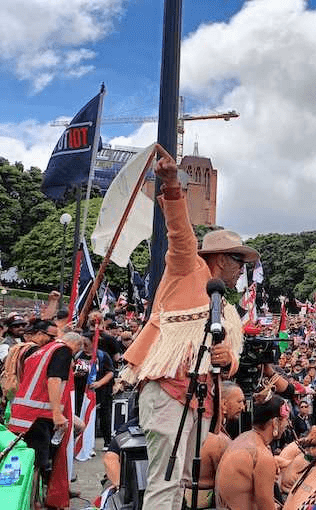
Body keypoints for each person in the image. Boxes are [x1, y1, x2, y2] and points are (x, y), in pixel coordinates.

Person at [120, 148, 265, 510]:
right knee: (165, 482)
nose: (240, 269)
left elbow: (230, 364)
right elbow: (180, 233)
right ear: (217, 258)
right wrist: (171, 186)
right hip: (170, 391)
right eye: (237, 259)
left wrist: (228, 357)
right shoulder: (188, 268)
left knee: (185, 481)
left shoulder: (227, 309)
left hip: (201, 401)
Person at [8, 330, 84, 509]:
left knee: (25, 461)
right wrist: (57, 413)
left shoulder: (41, 351)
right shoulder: (62, 351)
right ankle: (31, 501)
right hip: (39, 416)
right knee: (36, 463)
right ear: (76, 346)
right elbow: (54, 380)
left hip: (23, 414)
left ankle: (32, 498)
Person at [215, 394, 285, 510]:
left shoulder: (244, 438)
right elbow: (266, 507)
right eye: (285, 421)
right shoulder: (262, 455)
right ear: (275, 422)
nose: (287, 425)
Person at [197, 381, 245, 504]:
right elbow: (234, 482)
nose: (243, 407)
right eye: (239, 402)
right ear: (223, 404)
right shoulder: (218, 441)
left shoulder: (200, 429)